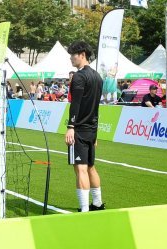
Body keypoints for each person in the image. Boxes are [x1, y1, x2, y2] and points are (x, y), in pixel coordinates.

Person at [65, 40, 105, 212]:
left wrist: (71, 126)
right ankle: (97, 204)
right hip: (91, 129)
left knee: (81, 169)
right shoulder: (97, 77)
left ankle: (84, 210)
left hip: (79, 129)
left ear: (82, 55)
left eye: (73, 55)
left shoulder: (79, 77)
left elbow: (76, 104)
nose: (71, 58)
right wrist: (95, 133)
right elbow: (96, 107)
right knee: (90, 167)